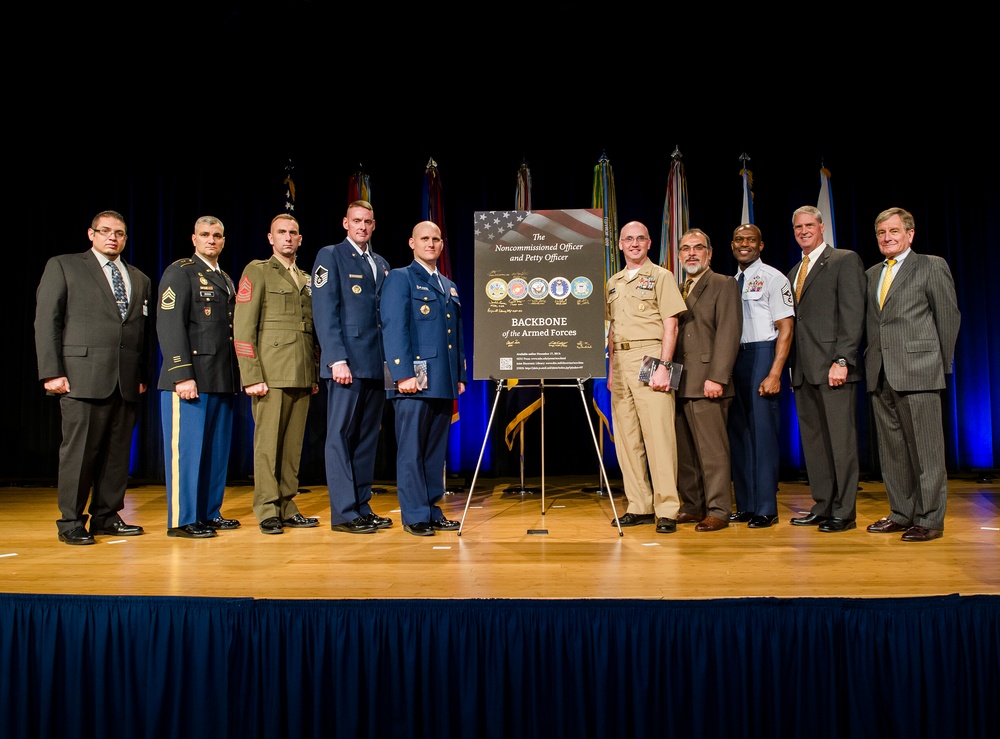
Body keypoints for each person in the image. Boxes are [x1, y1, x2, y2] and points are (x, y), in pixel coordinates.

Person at [34, 209, 153, 545]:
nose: (112, 237)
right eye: (105, 231)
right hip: (81, 376)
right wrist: (51, 371)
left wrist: (141, 374)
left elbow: (140, 332)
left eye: (119, 233)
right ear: (91, 234)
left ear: (126, 238)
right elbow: (47, 322)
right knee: (80, 453)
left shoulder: (139, 278)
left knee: (117, 454)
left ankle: (106, 515)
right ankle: (71, 520)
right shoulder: (65, 265)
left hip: (125, 379)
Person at [864, 207, 960, 542]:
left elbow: (948, 318)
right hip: (880, 373)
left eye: (893, 231)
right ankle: (901, 513)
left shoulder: (931, 266)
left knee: (927, 450)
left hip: (919, 371)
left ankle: (930, 519)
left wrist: (938, 364)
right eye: (881, 233)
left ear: (910, 234)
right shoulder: (872, 273)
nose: (887, 238)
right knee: (892, 451)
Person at [156, 215, 242, 539]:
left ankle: (208, 513)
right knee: (187, 454)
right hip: (190, 380)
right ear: (194, 238)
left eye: (217, 235)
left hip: (221, 378)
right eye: (205, 234)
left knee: (215, 455)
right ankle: (182, 519)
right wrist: (181, 375)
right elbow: (169, 325)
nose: (211, 240)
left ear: (223, 240)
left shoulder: (226, 278)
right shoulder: (180, 272)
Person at [234, 214, 320, 535]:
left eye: (293, 233)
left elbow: (310, 331)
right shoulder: (257, 272)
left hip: (300, 371)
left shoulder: (307, 278)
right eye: (281, 232)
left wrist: (312, 374)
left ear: (300, 239)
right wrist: (251, 374)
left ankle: (287, 504)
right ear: (270, 238)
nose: (287, 237)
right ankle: (267, 508)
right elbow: (243, 328)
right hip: (269, 372)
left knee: (292, 447)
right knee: (268, 445)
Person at [311, 200, 393, 535]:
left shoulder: (381, 263)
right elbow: (325, 311)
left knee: (366, 439)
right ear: (345, 222)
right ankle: (344, 513)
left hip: (375, 363)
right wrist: (336, 358)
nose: (362, 227)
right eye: (356, 221)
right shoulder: (330, 256)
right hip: (346, 363)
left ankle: (361, 505)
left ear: (374, 225)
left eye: (368, 222)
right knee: (340, 437)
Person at [381, 221, 466, 536]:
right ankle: (414, 514)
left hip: (442, 379)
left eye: (436, 239)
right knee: (411, 450)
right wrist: (402, 373)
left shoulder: (448, 284)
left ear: (442, 245)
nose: (431, 243)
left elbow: (454, 336)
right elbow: (394, 328)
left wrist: (459, 375)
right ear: (411, 243)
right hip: (412, 379)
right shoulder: (401, 279)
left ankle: (431, 509)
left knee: (434, 451)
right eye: (424, 239)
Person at [786, 206, 867, 533]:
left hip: (835, 368)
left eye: (809, 225)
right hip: (803, 371)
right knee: (815, 444)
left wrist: (843, 359)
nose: (803, 231)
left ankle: (844, 512)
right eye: (797, 227)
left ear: (821, 227)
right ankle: (823, 505)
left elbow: (852, 314)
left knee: (841, 443)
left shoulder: (844, 260)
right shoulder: (794, 270)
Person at [605, 221, 687, 534]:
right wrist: (612, 369)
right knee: (627, 439)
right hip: (621, 361)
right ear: (621, 245)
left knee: (659, 437)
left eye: (640, 238)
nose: (635, 243)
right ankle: (639, 505)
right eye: (629, 239)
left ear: (649, 242)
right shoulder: (613, 282)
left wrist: (665, 365)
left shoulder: (661, 276)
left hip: (650, 356)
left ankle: (667, 509)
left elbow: (671, 324)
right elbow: (612, 329)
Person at [672, 228, 742, 532]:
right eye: (686, 248)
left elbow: (729, 333)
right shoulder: (676, 287)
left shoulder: (722, 284)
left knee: (713, 452)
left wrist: (717, 377)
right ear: (678, 255)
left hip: (708, 383)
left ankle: (718, 509)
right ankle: (692, 504)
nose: (691, 253)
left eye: (698, 248)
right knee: (685, 452)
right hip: (678, 381)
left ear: (709, 254)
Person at [728, 223, 794, 528]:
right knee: (739, 434)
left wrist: (775, 372)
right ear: (732, 245)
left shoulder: (773, 278)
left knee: (763, 435)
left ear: (761, 245)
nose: (744, 244)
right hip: (735, 359)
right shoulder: (732, 281)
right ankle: (745, 504)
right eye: (739, 240)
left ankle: (766, 507)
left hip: (763, 354)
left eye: (750, 240)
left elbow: (786, 328)